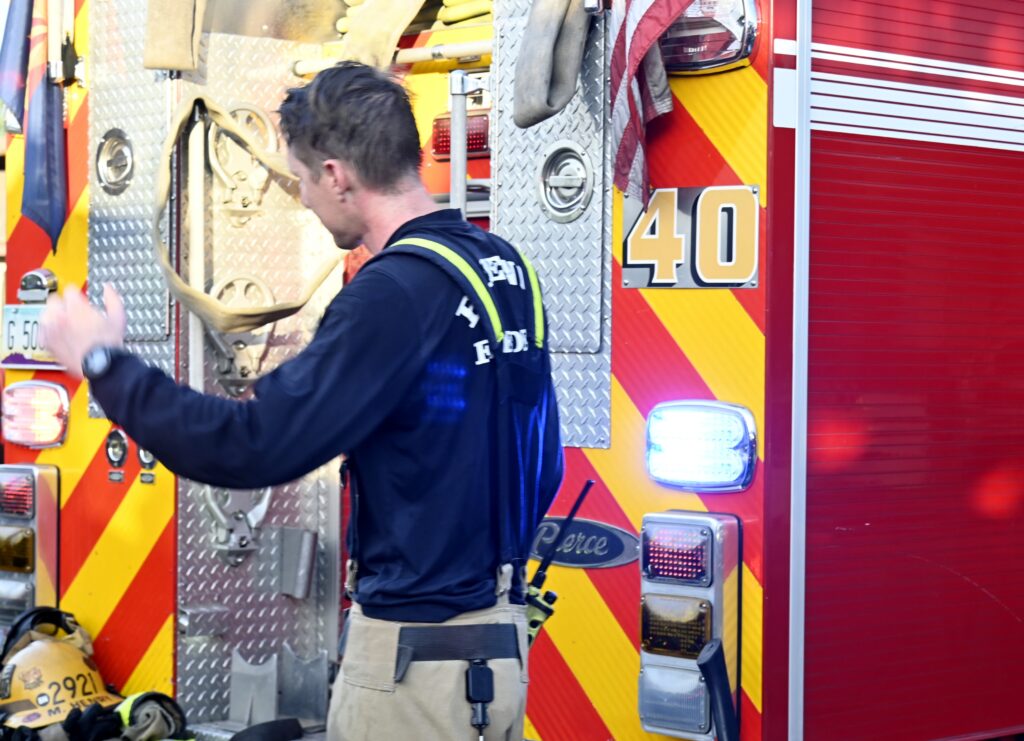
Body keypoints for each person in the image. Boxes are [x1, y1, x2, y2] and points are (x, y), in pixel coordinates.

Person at [40, 62, 564, 740]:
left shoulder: (390, 295)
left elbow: (249, 445)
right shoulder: (503, 267)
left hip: (414, 667)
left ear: (338, 174)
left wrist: (104, 365)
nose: (307, 201)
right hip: (495, 653)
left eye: (302, 180)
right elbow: (543, 463)